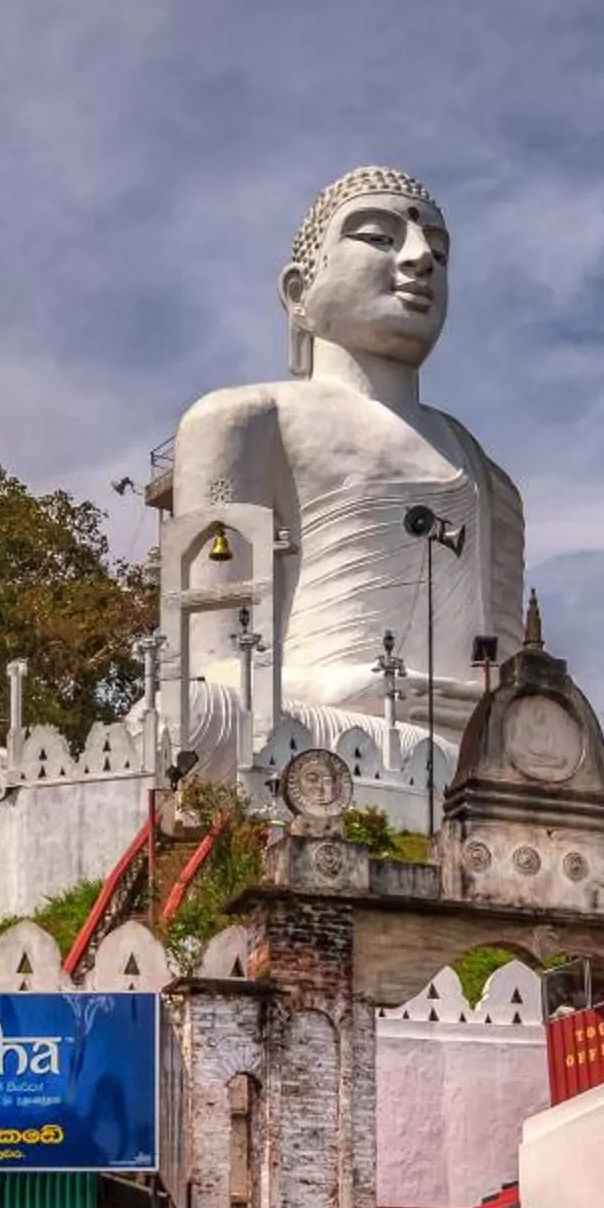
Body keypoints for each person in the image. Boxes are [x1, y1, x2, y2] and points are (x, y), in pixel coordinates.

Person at [157, 167, 528, 775]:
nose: (420, 261)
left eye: (438, 251)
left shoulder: (489, 477)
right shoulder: (245, 421)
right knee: (196, 714)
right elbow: (210, 664)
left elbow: (508, 682)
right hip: (319, 720)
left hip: (464, 749)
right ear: (299, 290)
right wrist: (339, 688)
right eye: (380, 238)